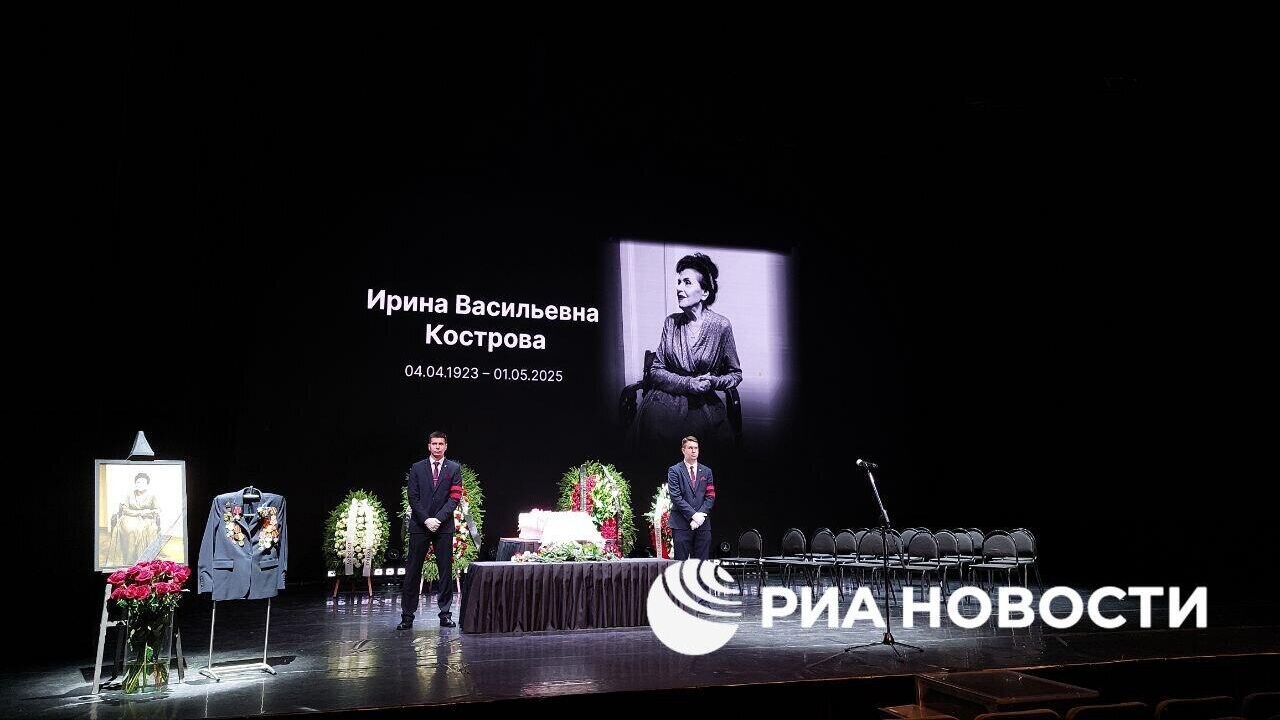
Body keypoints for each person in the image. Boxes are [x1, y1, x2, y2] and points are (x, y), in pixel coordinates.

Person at [631, 252, 743, 456]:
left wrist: (714, 382)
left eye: (687, 282)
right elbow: (656, 370)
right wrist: (688, 384)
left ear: (704, 293)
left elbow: (735, 374)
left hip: (703, 403)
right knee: (654, 427)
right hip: (665, 400)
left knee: (700, 441)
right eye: (679, 282)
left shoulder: (721, 326)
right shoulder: (671, 322)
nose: (679, 288)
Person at [399, 431, 463, 630]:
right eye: (434, 444)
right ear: (429, 446)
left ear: (446, 446)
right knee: (412, 571)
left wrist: (438, 519)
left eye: (440, 444)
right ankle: (407, 616)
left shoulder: (454, 468)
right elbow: (413, 497)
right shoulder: (417, 468)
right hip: (420, 525)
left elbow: (455, 497)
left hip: (443, 527)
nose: (437, 447)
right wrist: (426, 519)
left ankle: (445, 615)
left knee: (445, 572)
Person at [666, 436, 716, 560]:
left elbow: (710, 496)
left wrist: (699, 517)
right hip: (681, 524)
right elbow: (676, 497)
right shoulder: (674, 470)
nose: (694, 451)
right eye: (690, 448)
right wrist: (693, 515)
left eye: (696, 448)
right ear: (683, 450)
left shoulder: (706, 471)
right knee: (681, 564)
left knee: (701, 564)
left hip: (702, 524)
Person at [107, 472, 161, 567]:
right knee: (131, 530)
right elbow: (125, 510)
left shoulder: (152, 496)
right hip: (129, 517)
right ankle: (130, 560)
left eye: (143, 482)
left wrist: (148, 512)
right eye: (138, 482)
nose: (140, 484)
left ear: (147, 484)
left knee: (148, 529)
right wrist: (139, 513)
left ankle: (144, 559)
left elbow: (157, 510)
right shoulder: (129, 495)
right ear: (135, 484)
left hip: (146, 519)